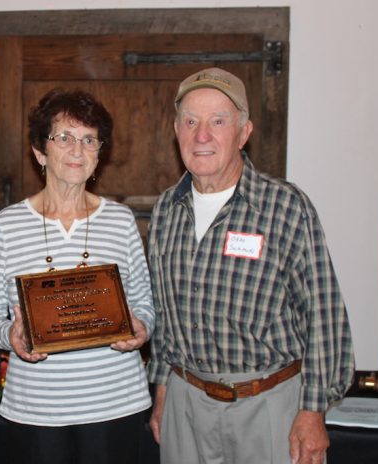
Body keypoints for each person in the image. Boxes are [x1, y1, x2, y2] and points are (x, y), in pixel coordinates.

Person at [147, 67, 355, 464]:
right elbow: (162, 314)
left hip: (270, 406)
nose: (201, 135)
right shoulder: (165, 211)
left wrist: (313, 411)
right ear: (177, 131)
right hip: (185, 406)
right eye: (190, 121)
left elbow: (324, 316)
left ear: (244, 133)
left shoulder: (286, 207)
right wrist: (162, 392)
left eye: (218, 121)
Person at [0, 88, 155, 464]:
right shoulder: (9, 224)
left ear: (99, 155)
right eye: (64, 138)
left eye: (89, 140)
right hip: (37, 408)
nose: (78, 150)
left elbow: (143, 304)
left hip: (115, 403)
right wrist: (10, 334)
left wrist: (141, 328)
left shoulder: (120, 221)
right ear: (40, 152)